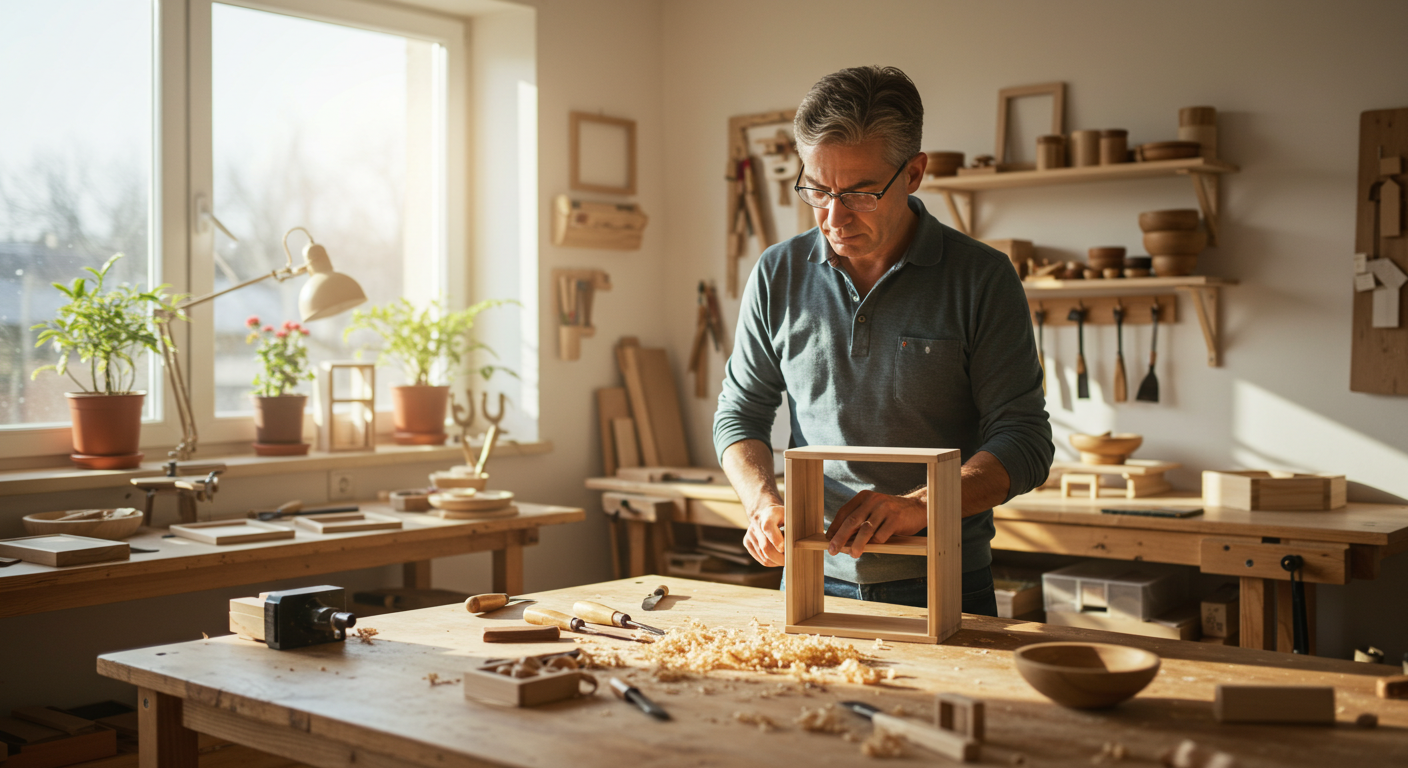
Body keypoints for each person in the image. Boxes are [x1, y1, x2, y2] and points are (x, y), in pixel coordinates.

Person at [713, 65, 1053, 616]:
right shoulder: (779, 273)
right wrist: (761, 501)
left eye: (861, 193)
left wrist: (922, 506)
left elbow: (1025, 441)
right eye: (817, 189)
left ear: (914, 173)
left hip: (944, 582)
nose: (833, 216)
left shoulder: (982, 278)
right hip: (811, 578)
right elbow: (738, 414)